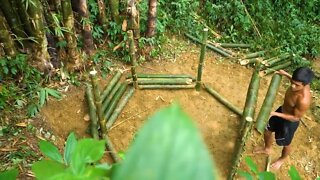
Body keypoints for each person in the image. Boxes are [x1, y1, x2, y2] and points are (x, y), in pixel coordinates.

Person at [254, 67, 314, 170]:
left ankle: (282, 159)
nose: (292, 86)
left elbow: (295, 117)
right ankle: (267, 148)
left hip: (289, 123)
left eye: (296, 85)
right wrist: (285, 73)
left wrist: (275, 114)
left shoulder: (303, 100)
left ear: (305, 85)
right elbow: (294, 81)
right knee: (267, 130)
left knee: (286, 144)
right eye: (292, 82)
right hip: (281, 111)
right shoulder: (298, 82)